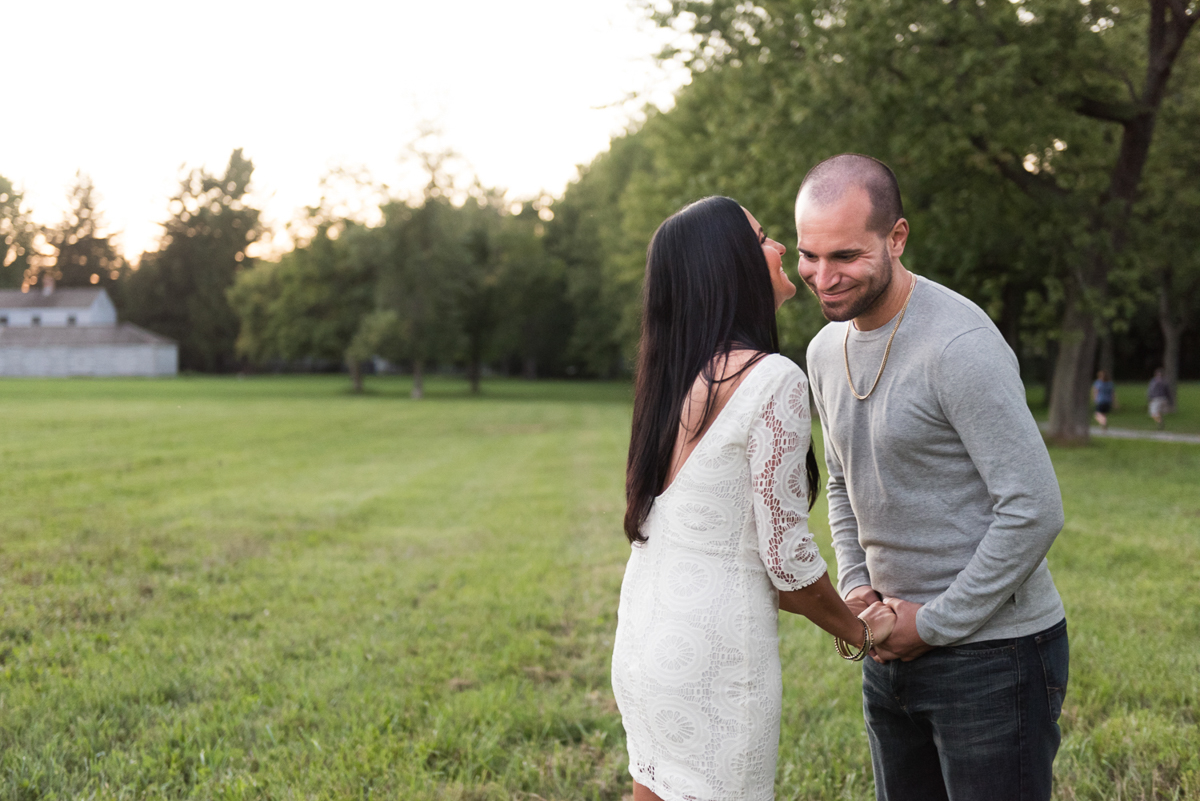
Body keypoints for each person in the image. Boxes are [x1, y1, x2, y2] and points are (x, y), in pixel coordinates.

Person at [796, 154, 1069, 801]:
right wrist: (861, 590)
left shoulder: (959, 343)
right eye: (809, 255)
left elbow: (1033, 508)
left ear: (896, 238)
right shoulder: (822, 352)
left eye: (845, 255)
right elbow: (842, 482)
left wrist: (936, 623)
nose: (823, 277)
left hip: (996, 657)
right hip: (887, 644)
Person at [611, 195, 896, 801]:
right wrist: (862, 632)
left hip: (643, 641)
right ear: (730, 265)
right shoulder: (772, 379)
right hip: (713, 658)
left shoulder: (674, 378)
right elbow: (788, 565)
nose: (780, 249)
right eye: (763, 238)